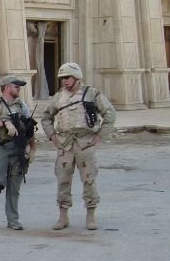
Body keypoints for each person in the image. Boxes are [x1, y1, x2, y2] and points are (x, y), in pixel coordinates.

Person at [40, 62, 117, 231]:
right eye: (62, 78)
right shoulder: (59, 96)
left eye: (67, 77)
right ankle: (63, 216)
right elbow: (45, 116)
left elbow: (110, 113)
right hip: (65, 144)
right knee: (63, 180)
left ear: (76, 77)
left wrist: (100, 136)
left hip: (85, 143)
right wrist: (52, 136)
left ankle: (91, 215)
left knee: (89, 179)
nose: (64, 81)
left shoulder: (92, 93)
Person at [0, 74, 36, 232]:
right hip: (0, 147)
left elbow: (29, 129)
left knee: (14, 187)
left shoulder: (22, 106)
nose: (19, 88)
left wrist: (33, 148)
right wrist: (5, 122)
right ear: (6, 87)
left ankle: (13, 220)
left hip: (17, 149)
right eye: (16, 86)